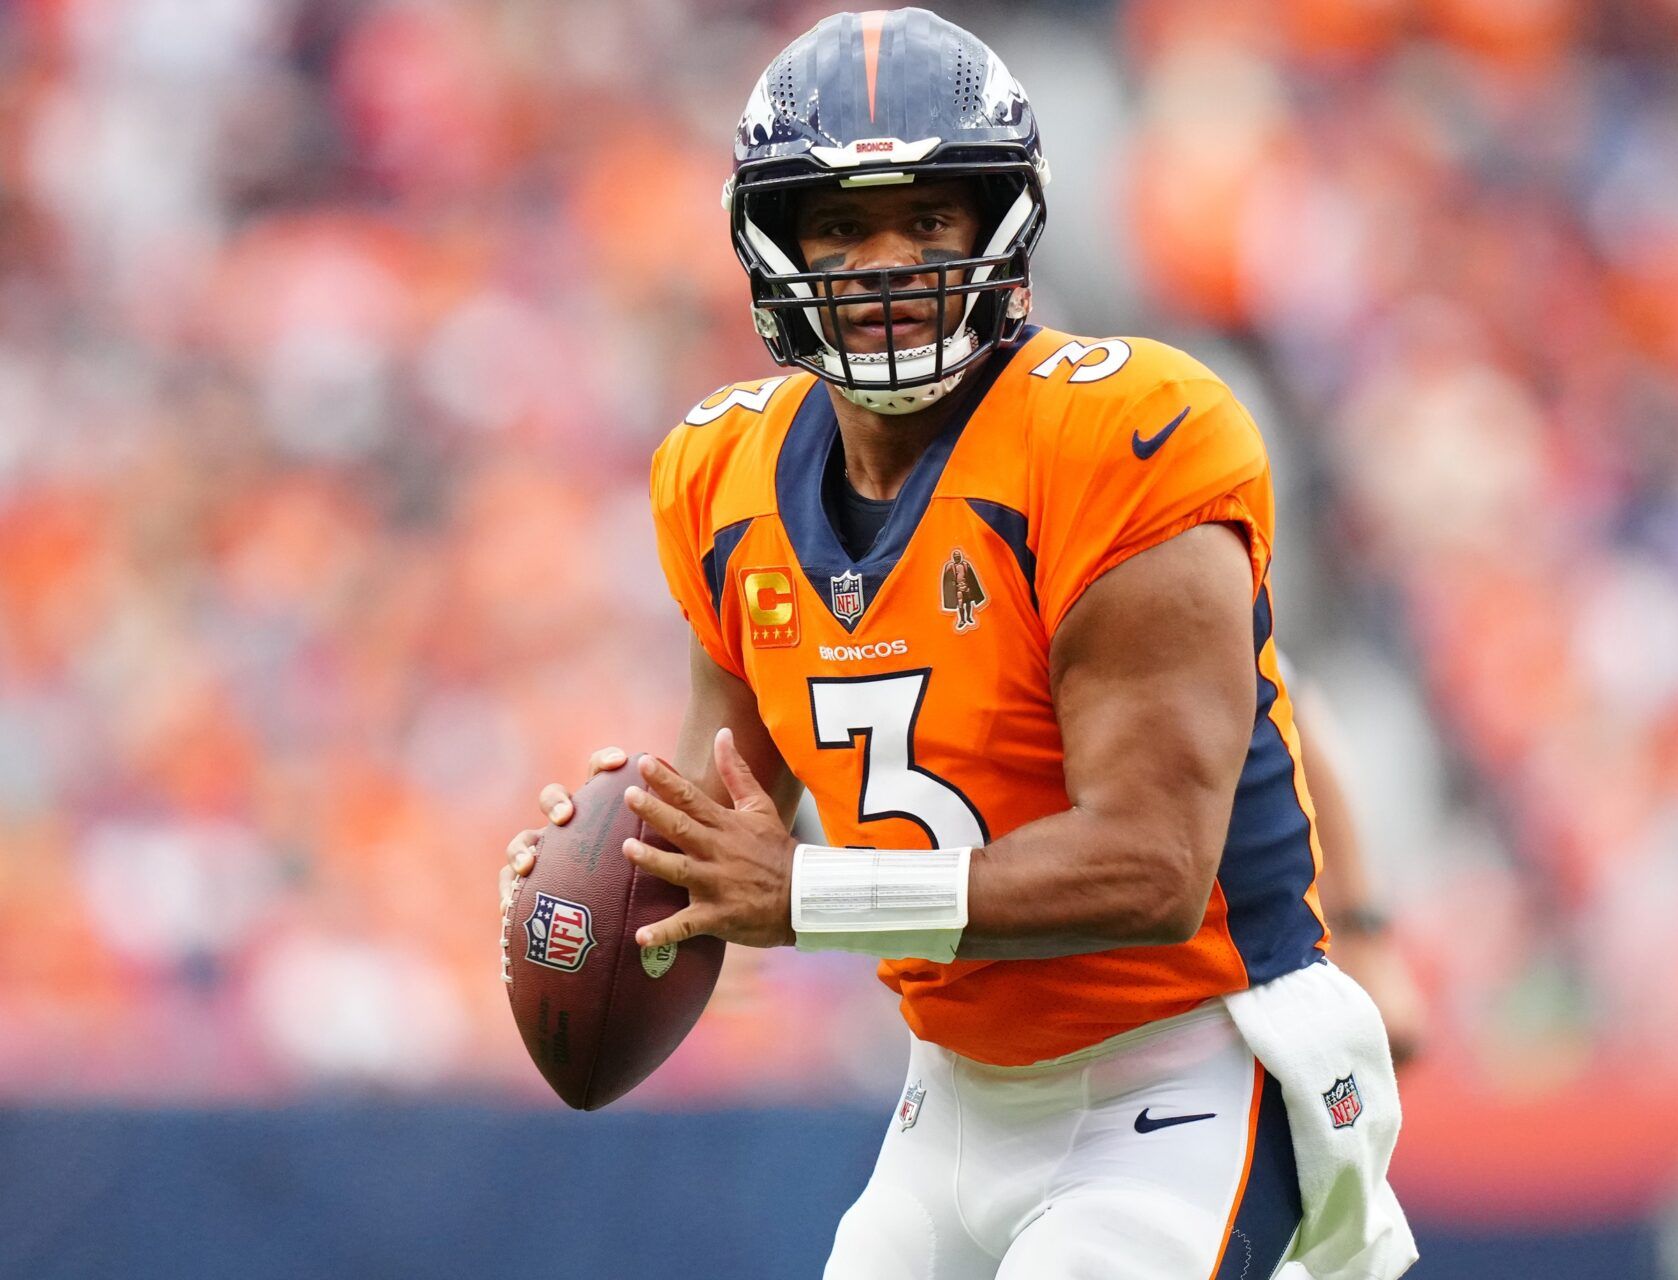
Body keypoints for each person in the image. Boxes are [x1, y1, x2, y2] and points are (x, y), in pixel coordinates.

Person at [498, 10, 1417, 1278]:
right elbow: (729, 832)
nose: (887, 261)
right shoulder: (719, 473)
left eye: (930, 218)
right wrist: (613, 878)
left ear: (1002, 225)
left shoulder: (1123, 434)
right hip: (955, 1095)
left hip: (1198, 1059)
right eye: (841, 223)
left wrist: (807, 898)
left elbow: (1154, 867)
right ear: (775, 244)